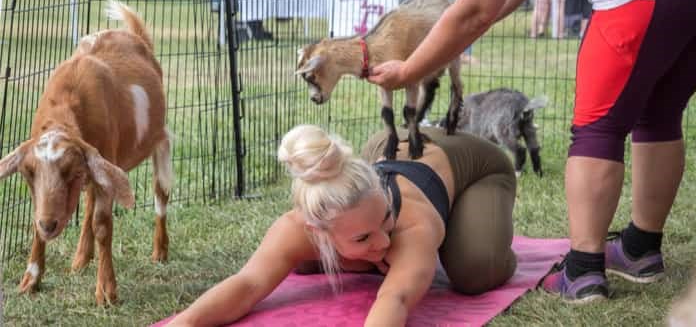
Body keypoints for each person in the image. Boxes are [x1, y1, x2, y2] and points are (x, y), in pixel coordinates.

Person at [368, 0, 696, 304]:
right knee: (659, 113)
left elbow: (475, 9)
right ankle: (640, 248)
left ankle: (583, 272)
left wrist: (410, 70)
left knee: (598, 130)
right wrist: (446, 31)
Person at [166, 124, 517, 326]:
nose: (382, 240)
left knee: (475, 270)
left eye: (384, 219)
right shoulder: (299, 226)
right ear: (316, 231)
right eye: (365, 235)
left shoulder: (412, 227)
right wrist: (184, 323)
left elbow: (394, 297)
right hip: (388, 141)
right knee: (301, 261)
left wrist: (372, 238)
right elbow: (248, 283)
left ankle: (463, 216)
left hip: (471, 161)